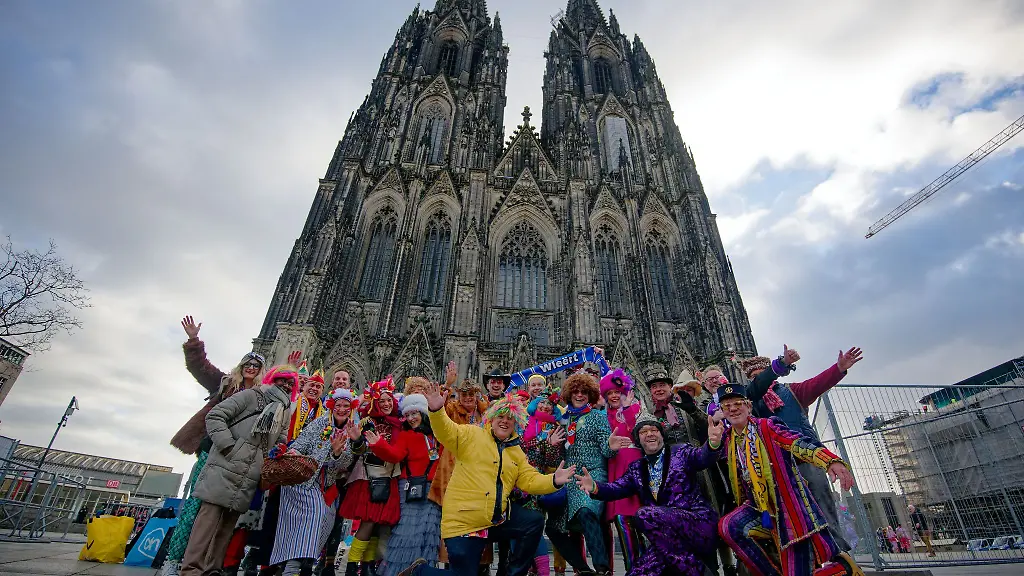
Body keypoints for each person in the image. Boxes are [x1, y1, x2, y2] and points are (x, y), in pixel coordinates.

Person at [399, 383, 576, 576]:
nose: (505, 422)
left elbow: (529, 480)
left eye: (510, 418)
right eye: (500, 416)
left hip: (493, 520)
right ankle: (419, 572)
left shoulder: (514, 450)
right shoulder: (471, 434)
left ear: (516, 423)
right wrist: (436, 410)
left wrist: (553, 481)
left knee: (532, 521)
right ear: (491, 419)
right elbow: (446, 431)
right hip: (463, 522)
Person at [715, 382, 862, 576]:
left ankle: (843, 568)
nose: (733, 409)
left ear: (748, 406)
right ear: (722, 412)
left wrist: (830, 461)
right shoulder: (728, 439)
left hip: (789, 512)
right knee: (728, 526)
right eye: (727, 406)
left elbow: (798, 442)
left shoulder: (768, 426)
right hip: (759, 509)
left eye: (738, 403)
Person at [165, 316, 268, 576]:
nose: (251, 368)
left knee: (228, 515)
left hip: (240, 462)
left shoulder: (262, 399)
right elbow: (200, 367)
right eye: (248, 363)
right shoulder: (225, 384)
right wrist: (193, 340)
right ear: (241, 366)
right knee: (196, 509)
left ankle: (213, 567)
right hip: (215, 454)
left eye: (257, 365)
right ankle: (177, 563)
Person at [740, 346, 864, 553]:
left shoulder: (791, 392)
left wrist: (838, 369)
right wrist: (779, 366)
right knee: (791, 516)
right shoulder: (750, 401)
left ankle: (838, 557)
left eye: (761, 374)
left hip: (806, 459)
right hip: (777, 465)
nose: (758, 379)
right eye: (753, 377)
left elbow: (816, 384)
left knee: (823, 506)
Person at [575, 407, 726, 575]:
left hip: (697, 524)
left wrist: (712, 444)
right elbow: (617, 488)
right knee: (638, 572)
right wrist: (595, 486)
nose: (650, 434)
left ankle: (698, 571)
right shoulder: (637, 468)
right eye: (643, 431)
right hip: (667, 537)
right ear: (638, 439)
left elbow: (702, 457)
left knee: (645, 514)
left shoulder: (680, 452)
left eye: (654, 430)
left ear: (662, 435)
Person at [179, 365, 296, 576]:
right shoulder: (251, 395)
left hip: (249, 473)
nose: (286, 385)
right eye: (282, 380)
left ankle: (212, 570)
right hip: (225, 465)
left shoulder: (284, 410)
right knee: (207, 523)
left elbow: (280, 439)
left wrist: (280, 452)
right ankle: (191, 570)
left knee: (227, 527)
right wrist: (229, 446)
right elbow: (215, 416)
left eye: (290, 383)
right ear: (272, 379)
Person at [270, 390, 359, 576]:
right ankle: (292, 568)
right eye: (338, 406)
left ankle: (296, 566)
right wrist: (292, 453)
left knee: (325, 523)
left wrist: (336, 453)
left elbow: (345, 463)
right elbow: (299, 445)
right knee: (312, 519)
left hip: (325, 486)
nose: (341, 409)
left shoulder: (351, 430)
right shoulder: (319, 424)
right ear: (332, 407)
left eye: (346, 406)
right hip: (303, 481)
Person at [546, 371, 620, 576]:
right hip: (568, 478)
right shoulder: (563, 419)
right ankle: (583, 568)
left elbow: (606, 451)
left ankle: (602, 569)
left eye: (584, 392)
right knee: (553, 528)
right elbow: (554, 459)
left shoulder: (597, 416)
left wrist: (612, 446)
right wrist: (552, 445)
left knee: (587, 512)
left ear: (591, 395)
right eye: (576, 391)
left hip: (592, 474)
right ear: (569, 394)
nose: (579, 395)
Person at [367, 393, 444, 576]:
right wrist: (377, 444)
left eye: (414, 413)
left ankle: (423, 571)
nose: (410, 418)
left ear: (424, 413)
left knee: (428, 533)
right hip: (410, 489)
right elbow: (395, 455)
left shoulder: (439, 433)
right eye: (407, 415)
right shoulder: (406, 435)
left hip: (433, 489)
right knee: (406, 533)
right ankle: (400, 571)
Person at [339, 377, 404, 575]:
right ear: (375, 403)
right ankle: (352, 565)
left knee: (378, 522)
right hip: (371, 478)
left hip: (388, 476)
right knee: (369, 521)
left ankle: (367, 566)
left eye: (389, 400)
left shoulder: (398, 423)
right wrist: (358, 440)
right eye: (381, 401)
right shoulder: (368, 421)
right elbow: (359, 450)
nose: (386, 404)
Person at [599, 368, 644, 571]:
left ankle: (648, 565)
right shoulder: (603, 415)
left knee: (643, 516)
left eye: (617, 392)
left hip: (635, 466)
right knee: (621, 517)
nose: (614, 396)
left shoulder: (635, 408)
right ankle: (632, 568)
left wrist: (627, 408)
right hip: (616, 468)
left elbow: (640, 432)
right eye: (610, 393)